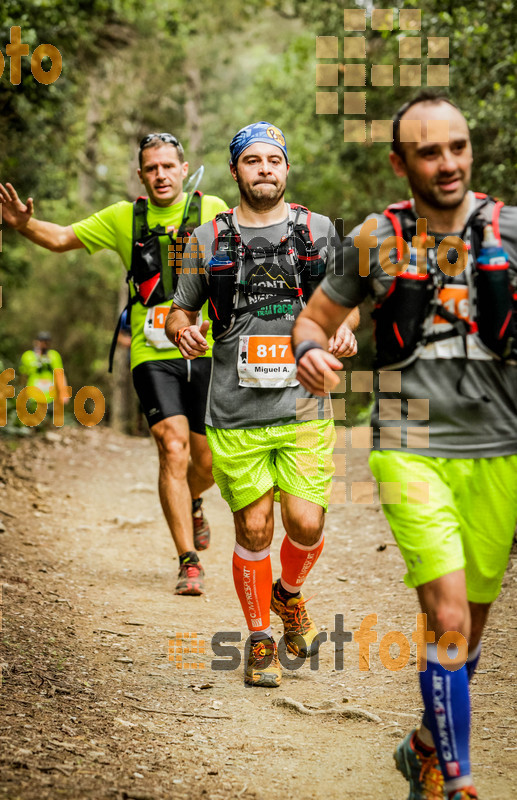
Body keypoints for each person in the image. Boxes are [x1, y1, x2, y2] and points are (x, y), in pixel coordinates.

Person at [292, 92, 517, 800]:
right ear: (400, 162)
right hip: (408, 445)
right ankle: (457, 782)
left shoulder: (511, 230)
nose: (445, 163)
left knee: (467, 634)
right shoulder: (373, 238)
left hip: (499, 450)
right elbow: (312, 319)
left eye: (456, 147)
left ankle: (423, 743)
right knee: (445, 618)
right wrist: (308, 354)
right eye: (427, 151)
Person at [0, 133, 228, 596]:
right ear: (140, 175)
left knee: (208, 462)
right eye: (151, 168)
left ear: (183, 169)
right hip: (151, 351)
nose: (160, 174)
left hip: (204, 348)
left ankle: (193, 498)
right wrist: (24, 224)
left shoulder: (213, 209)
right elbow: (60, 239)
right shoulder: (125, 218)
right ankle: (188, 561)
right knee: (171, 447)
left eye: (167, 166)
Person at [166, 121, 359, 687]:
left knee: (305, 521)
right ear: (235, 172)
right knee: (254, 529)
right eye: (253, 162)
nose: (265, 170)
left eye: (274, 160)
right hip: (234, 410)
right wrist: (182, 329)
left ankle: (289, 595)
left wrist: (345, 329)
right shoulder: (206, 239)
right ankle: (258, 638)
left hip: (303, 406)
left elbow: (345, 303)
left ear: (286, 169)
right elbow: (179, 308)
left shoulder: (317, 230)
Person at [19, 331, 69, 421]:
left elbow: (60, 375)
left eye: (47, 342)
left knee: (48, 422)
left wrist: (63, 393)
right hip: (32, 396)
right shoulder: (28, 356)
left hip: (50, 397)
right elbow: (23, 376)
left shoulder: (54, 355)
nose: (44, 345)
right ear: (36, 342)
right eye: (42, 341)